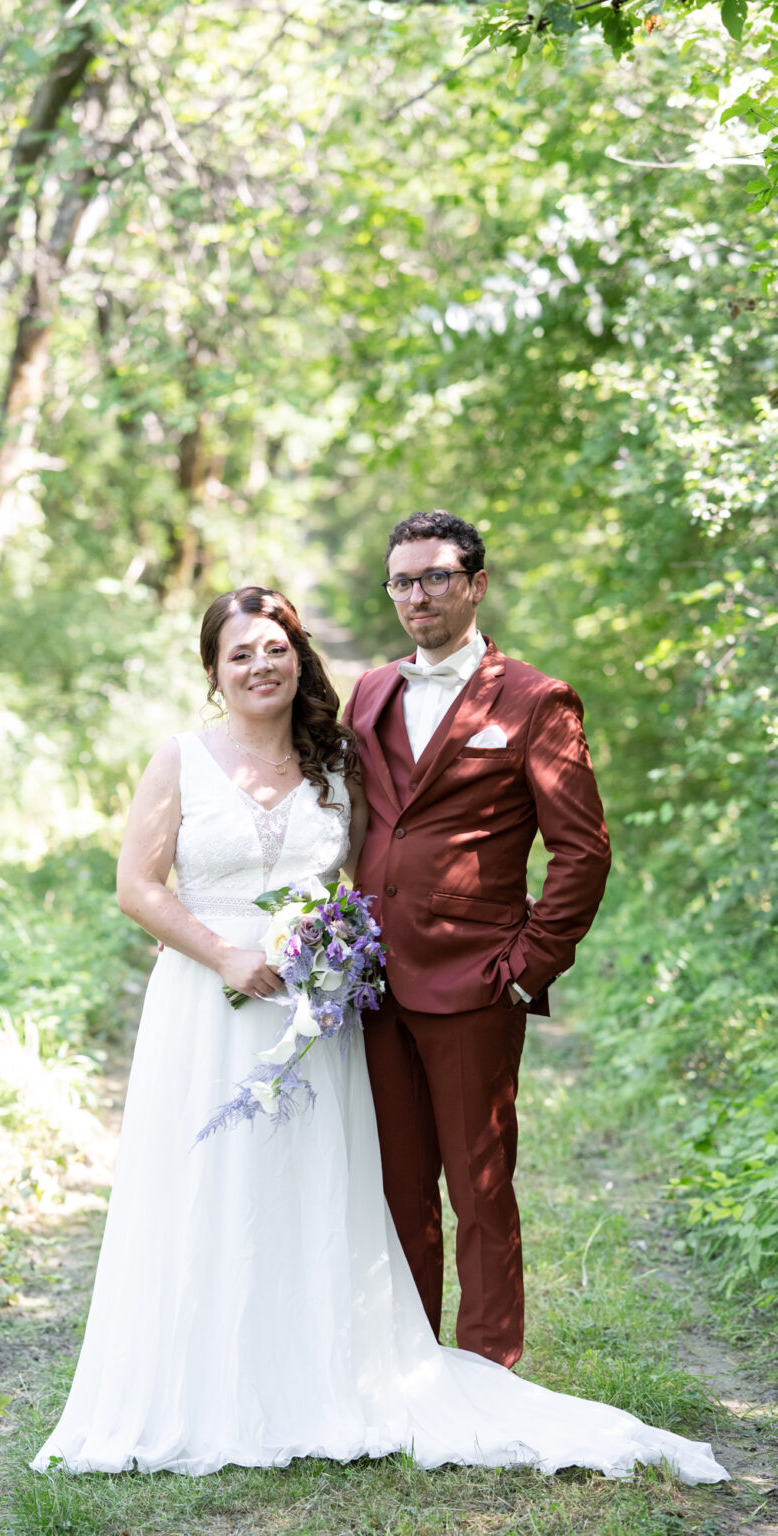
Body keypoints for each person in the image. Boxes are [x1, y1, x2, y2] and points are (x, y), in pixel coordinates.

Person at [31, 584, 724, 1483]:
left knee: (316, 1188)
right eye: (239, 654)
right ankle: (198, 1378)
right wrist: (226, 956)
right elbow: (139, 885)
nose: (260, 666)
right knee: (201, 1187)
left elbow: (375, 873)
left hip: (320, 1013)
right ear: (213, 672)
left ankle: (324, 1367)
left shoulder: (337, 763)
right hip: (206, 1007)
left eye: (275, 648)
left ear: (299, 656)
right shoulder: (180, 762)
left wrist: (358, 951)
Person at [344, 510, 613, 1371]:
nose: (416, 595)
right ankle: (411, 1362)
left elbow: (582, 850)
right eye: (402, 581)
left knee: (480, 1188)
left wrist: (526, 969)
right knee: (397, 1187)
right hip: (373, 980)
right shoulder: (371, 691)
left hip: (476, 982)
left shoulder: (537, 701)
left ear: (476, 584)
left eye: (434, 578)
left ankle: (490, 1369)